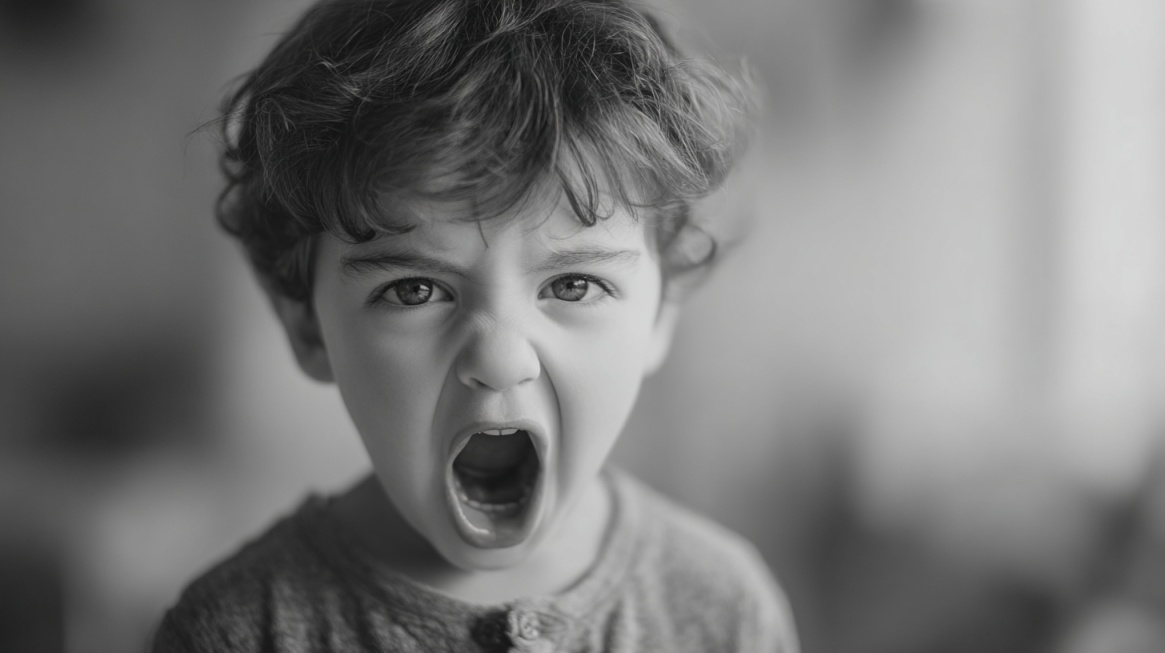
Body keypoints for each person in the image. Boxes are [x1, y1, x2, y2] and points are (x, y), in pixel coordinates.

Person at [155, 0, 798, 650]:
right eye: (414, 289)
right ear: (307, 326)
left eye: (572, 285)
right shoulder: (236, 631)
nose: (498, 358)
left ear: (660, 315)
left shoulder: (724, 611)